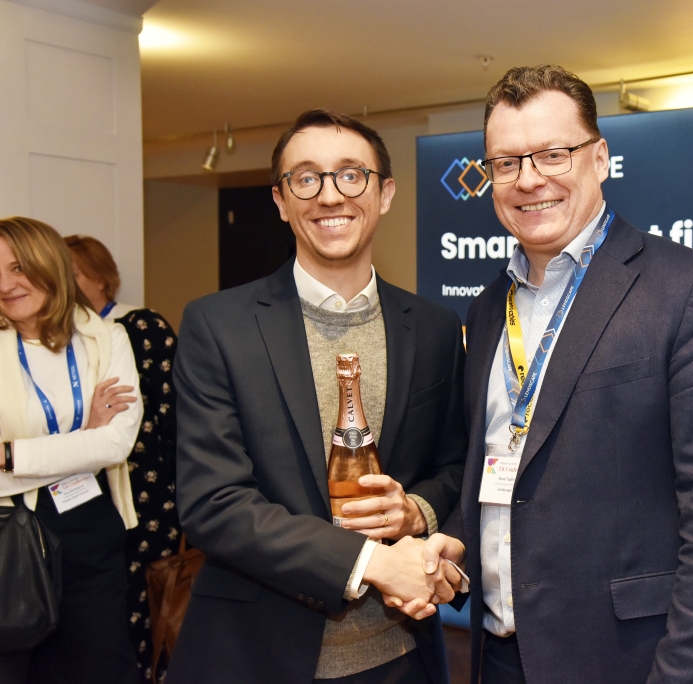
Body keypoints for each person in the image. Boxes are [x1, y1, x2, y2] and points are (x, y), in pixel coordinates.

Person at [421, 65, 693, 683]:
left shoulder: (690, 288)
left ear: (600, 157)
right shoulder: (487, 308)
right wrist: (457, 539)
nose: (528, 179)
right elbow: (507, 467)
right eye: (506, 163)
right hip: (499, 655)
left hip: (635, 661)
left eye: (552, 154)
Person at [167, 109, 468, 684]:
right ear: (281, 201)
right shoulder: (218, 326)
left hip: (403, 656)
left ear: (385, 193)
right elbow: (214, 502)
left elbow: (455, 465)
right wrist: (373, 562)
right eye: (306, 178)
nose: (330, 195)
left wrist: (416, 510)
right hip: (256, 656)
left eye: (351, 174)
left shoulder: (433, 327)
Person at [0, 217, 142, 684]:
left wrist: (10, 456)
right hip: (6, 535)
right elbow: (97, 445)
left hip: (87, 528)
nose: (6, 285)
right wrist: (84, 437)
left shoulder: (106, 339)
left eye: (18, 267)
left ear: (50, 265)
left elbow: (116, 442)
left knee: (98, 668)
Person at [65, 234, 181, 683]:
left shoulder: (140, 326)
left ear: (102, 278)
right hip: (86, 496)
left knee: (150, 604)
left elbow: (174, 415)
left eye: (74, 274)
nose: (66, 284)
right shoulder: (61, 340)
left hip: (149, 495)